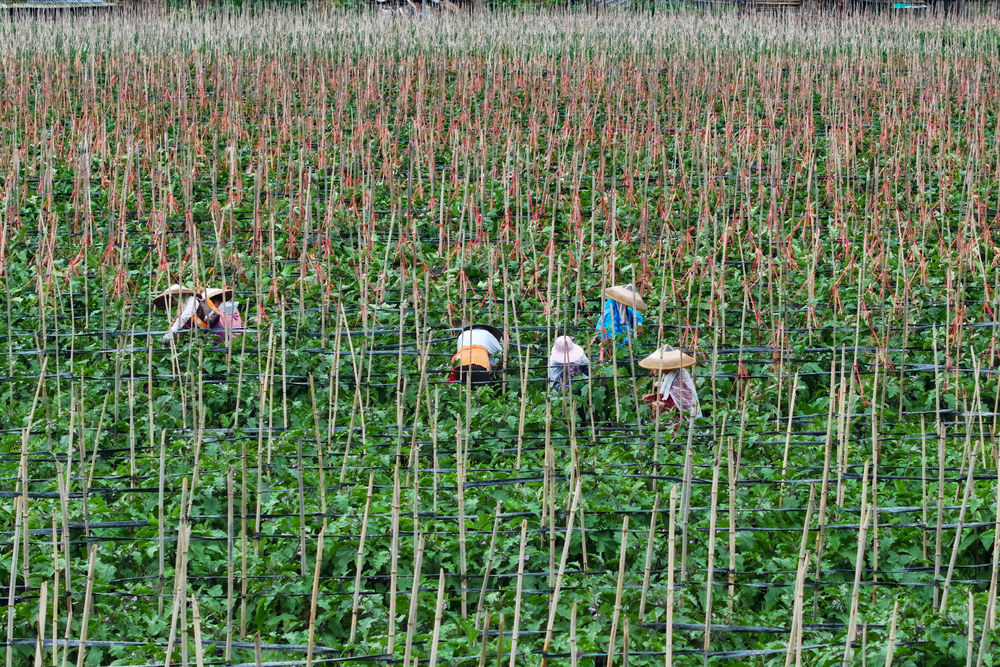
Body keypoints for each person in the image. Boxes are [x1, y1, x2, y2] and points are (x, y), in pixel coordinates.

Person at [156, 285, 243, 345]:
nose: (174, 302)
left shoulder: (192, 301)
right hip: (206, 336)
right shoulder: (186, 304)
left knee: (222, 348)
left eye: (174, 299)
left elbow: (183, 318)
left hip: (216, 334)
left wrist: (170, 332)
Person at [639, 345, 701, 419]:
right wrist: (654, 397)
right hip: (666, 419)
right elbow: (668, 396)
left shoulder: (680, 380)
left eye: (664, 365)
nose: (660, 369)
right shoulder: (667, 376)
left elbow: (687, 406)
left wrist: (664, 405)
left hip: (680, 422)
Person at [594, 284, 646, 358]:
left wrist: (639, 323)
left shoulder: (624, 307)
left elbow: (634, 313)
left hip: (623, 336)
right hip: (609, 339)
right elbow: (611, 331)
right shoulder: (610, 309)